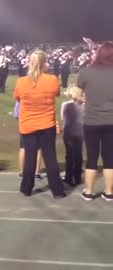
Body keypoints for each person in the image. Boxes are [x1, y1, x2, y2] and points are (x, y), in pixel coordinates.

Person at [13, 50, 65, 199]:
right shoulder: (52, 79)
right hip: (46, 124)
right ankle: (58, 191)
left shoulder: (21, 81)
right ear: (45, 63)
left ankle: (26, 189)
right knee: (50, 157)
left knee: (30, 157)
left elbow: (18, 98)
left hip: (28, 124)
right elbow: (56, 93)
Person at [77, 42, 113, 202]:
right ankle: (109, 191)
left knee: (91, 157)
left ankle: (89, 192)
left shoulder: (86, 72)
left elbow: (78, 97)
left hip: (91, 121)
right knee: (110, 157)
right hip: (111, 121)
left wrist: (87, 100)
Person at [60, 85, 85, 187]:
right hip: (80, 133)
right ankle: (77, 177)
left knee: (69, 155)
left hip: (68, 133)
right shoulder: (84, 105)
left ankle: (69, 177)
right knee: (78, 154)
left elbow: (63, 118)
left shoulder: (65, 104)